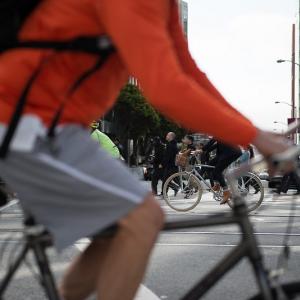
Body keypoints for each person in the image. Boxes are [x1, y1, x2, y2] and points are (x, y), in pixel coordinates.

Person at [0, 1, 290, 299]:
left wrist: (252, 133)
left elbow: (188, 73)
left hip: (55, 125)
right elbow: (165, 87)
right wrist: (255, 136)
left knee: (112, 234)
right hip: (22, 119)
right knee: (143, 218)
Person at [202, 138, 242, 204]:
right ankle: (217, 184)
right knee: (209, 166)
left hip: (230, 153)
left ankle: (226, 192)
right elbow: (216, 144)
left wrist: (202, 149)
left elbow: (213, 140)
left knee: (217, 171)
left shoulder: (219, 129)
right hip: (223, 153)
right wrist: (205, 151)